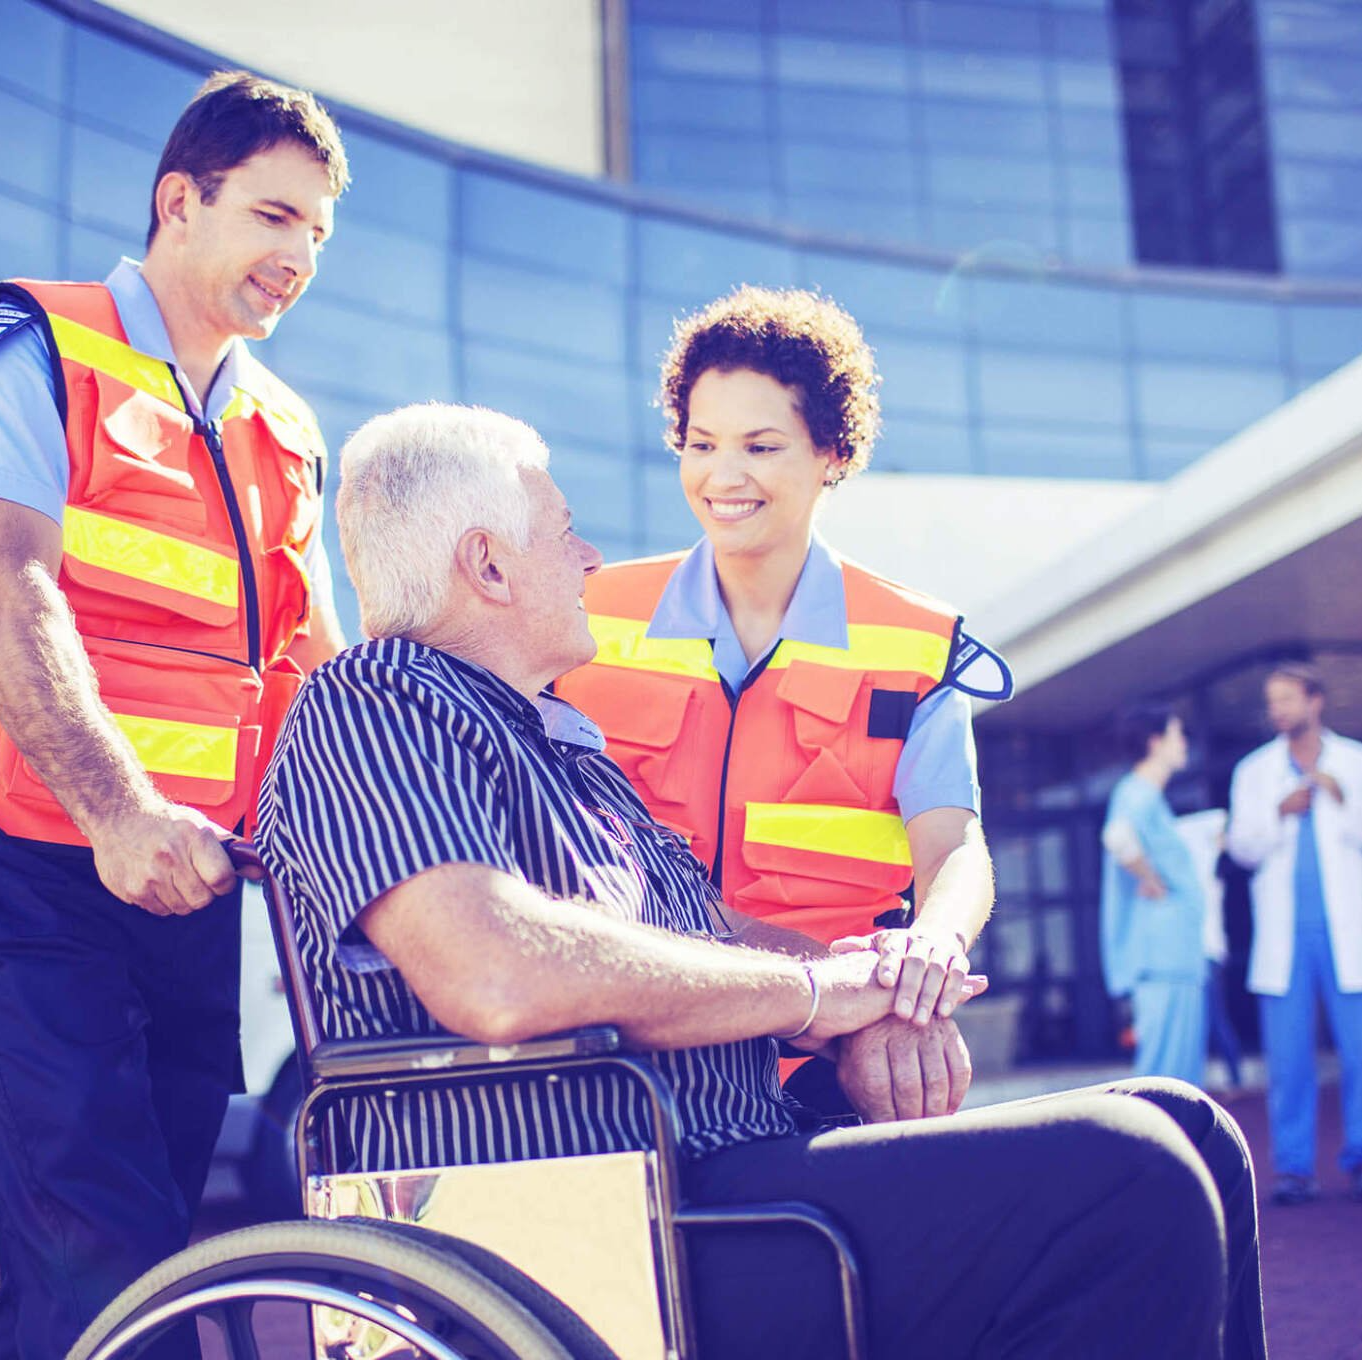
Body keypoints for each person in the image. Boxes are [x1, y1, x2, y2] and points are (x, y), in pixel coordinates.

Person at [257, 402, 1268, 1360]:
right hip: (580, 1217)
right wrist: (815, 996)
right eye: (563, 533)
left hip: (712, 1173)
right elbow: (496, 972)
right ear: (486, 564)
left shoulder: (563, 746)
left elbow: (706, 928)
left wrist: (870, 991)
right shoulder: (373, 700)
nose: (591, 559)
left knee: (1197, 1130)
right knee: (1135, 1169)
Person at [0, 72, 348, 1358]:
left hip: (194, 899)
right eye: (271, 217)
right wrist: (116, 807)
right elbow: (12, 589)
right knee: (111, 1262)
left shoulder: (285, 426)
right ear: (178, 202)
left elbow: (314, 664)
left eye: (316, 233)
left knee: (103, 1253)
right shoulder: (44, 346)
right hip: (38, 877)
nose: (296, 257)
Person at [556, 288, 1009, 1106]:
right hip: (628, 1049)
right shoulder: (583, 615)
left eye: (761, 446)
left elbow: (955, 848)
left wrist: (933, 946)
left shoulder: (916, 646)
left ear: (832, 453)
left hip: (825, 1052)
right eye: (699, 443)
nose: (722, 476)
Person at [1227, 662, 1362, 1205]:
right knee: (1288, 1058)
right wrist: (1280, 812)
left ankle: (1358, 1155)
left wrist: (1341, 799)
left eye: (1287, 699)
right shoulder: (1254, 771)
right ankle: (1294, 1168)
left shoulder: (1353, 762)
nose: (1278, 709)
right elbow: (1241, 847)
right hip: (1286, 939)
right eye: (1272, 700)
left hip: (1346, 934)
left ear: (1315, 701)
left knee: (1359, 1053)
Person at [1100, 704, 1207, 1087]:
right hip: (1161, 956)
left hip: (1174, 955)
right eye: (1178, 735)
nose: (1184, 744)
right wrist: (1148, 876)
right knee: (1164, 1076)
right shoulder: (1136, 793)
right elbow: (1118, 838)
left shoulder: (1148, 797)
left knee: (1179, 1073)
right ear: (1155, 741)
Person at [1177, 807, 1245, 1092]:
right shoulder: (1200, 872)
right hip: (1200, 954)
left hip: (1207, 955)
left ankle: (1233, 1077)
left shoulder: (1206, 877)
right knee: (1206, 1019)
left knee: (1213, 1018)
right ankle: (1224, 1078)